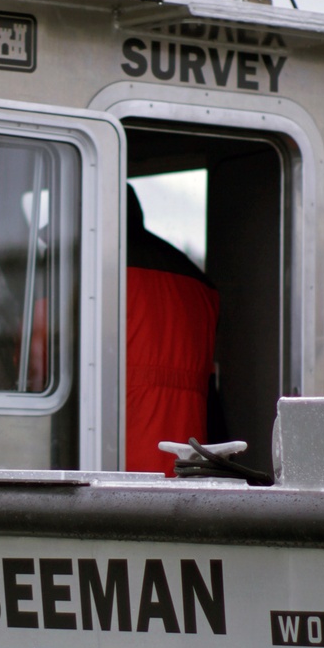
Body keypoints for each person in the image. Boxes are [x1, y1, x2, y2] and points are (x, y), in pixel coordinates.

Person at [126, 186, 219, 474]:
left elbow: (36, 367)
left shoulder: (84, 267)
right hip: (187, 459)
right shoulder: (200, 283)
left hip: (117, 460)